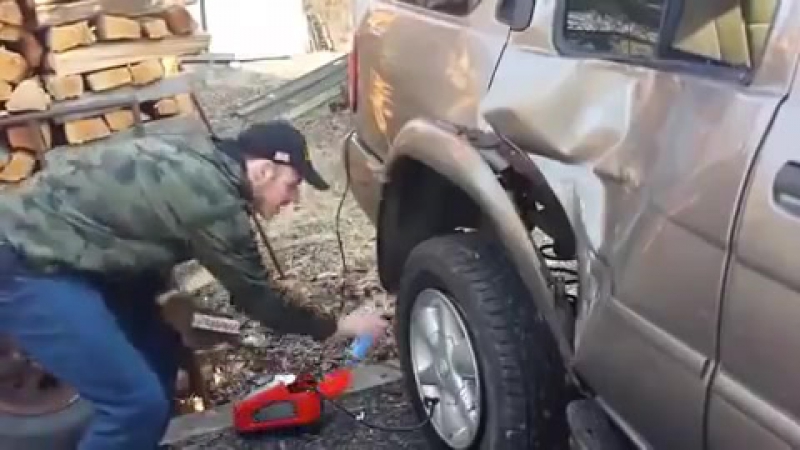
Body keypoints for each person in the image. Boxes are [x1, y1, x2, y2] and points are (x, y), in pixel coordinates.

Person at [0, 120, 390, 450]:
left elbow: (128, 227)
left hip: (74, 254)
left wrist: (174, 306)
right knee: (135, 404)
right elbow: (260, 297)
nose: (293, 201)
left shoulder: (201, 157)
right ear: (264, 171)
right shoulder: (214, 200)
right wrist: (338, 326)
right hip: (28, 260)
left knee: (159, 353)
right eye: (292, 185)